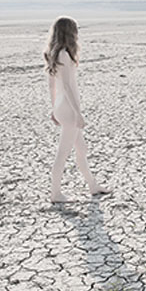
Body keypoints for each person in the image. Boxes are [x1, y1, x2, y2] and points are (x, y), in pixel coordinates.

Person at [44, 16, 110, 202]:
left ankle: (93, 185)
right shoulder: (64, 54)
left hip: (61, 106)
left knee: (81, 149)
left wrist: (54, 109)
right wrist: (77, 113)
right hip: (68, 108)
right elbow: (66, 85)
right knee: (63, 152)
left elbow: (52, 86)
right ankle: (55, 193)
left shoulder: (53, 53)